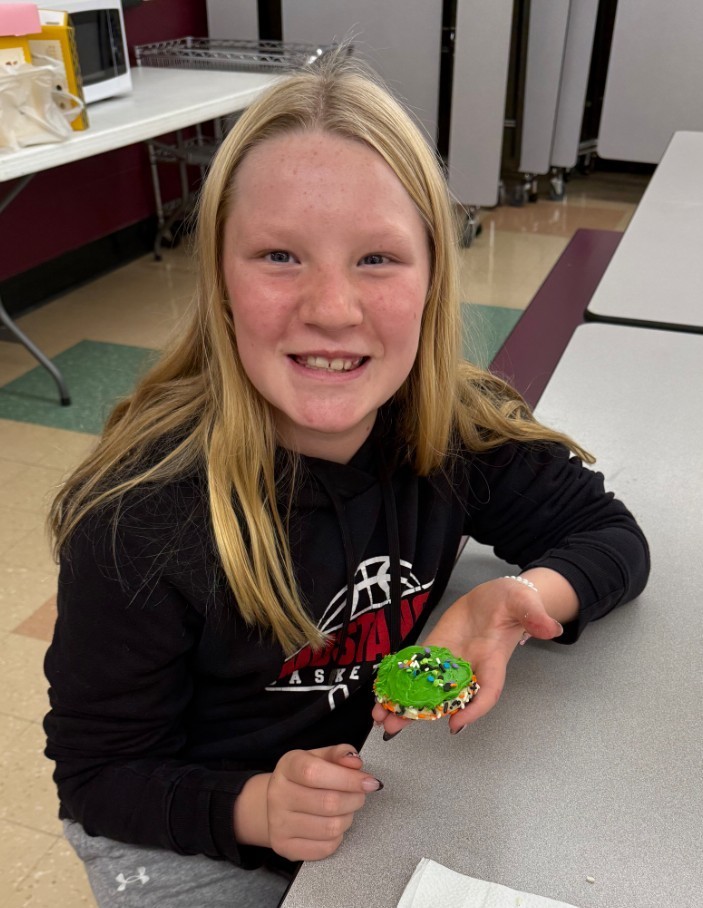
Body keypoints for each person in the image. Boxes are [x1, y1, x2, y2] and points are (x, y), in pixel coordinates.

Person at [44, 51, 649, 908]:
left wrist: (521, 599)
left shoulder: (453, 428)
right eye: (279, 255)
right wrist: (256, 807)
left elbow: (607, 535)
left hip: (370, 782)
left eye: (376, 259)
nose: (331, 309)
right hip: (194, 819)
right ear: (219, 281)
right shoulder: (138, 519)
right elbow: (100, 775)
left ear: (432, 279)